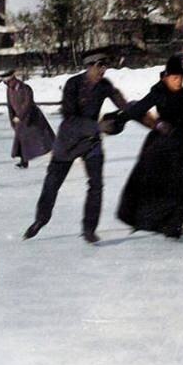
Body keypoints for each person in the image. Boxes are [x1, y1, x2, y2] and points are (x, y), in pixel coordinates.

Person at [23, 53, 128, 244]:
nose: (102, 71)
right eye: (99, 66)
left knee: (96, 185)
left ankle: (89, 229)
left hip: (91, 143)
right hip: (68, 142)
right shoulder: (73, 85)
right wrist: (98, 127)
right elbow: (70, 120)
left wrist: (135, 110)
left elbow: (124, 105)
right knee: (52, 184)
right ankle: (41, 220)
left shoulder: (105, 85)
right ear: (88, 66)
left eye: (105, 67)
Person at [115, 55, 183, 238]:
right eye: (175, 78)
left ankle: (174, 224)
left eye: (181, 77)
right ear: (166, 77)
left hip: (182, 144)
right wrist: (120, 119)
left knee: (179, 184)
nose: (178, 81)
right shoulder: (158, 91)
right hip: (161, 144)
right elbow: (139, 108)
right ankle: (151, 220)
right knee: (154, 182)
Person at [3, 70, 55, 168]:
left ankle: (58, 154)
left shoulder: (25, 88)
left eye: (7, 79)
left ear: (12, 78)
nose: (5, 81)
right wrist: (12, 118)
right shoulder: (9, 89)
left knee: (45, 138)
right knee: (22, 140)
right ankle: (24, 162)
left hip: (32, 118)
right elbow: (10, 105)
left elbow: (28, 104)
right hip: (20, 119)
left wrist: (20, 116)